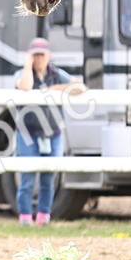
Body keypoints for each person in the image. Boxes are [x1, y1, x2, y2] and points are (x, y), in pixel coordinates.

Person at [13, 37, 77, 226]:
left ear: (48, 55)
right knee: (27, 178)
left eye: (42, 54)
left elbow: (79, 87)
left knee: (49, 178)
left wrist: (56, 89)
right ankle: (25, 218)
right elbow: (24, 86)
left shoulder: (56, 74)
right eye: (35, 55)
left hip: (53, 133)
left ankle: (43, 216)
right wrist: (27, 65)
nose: (39, 58)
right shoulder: (23, 73)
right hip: (28, 133)